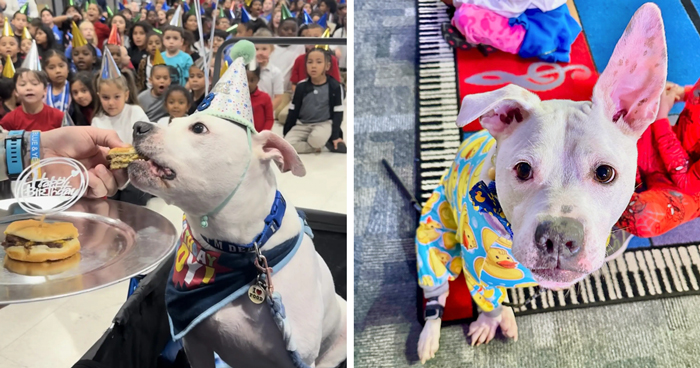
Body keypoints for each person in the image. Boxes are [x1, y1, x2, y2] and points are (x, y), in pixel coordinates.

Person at [618, 80, 700, 237]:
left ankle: (611, 195)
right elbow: (694, 94)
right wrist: (681, 92)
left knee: (642, 218)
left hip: (683, 191)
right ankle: (622, 187)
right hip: (666, 148)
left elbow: (686, 182)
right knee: (641, 93)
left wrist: (661, 119)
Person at [283, 48, 345, 153]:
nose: (314, 66)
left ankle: (320, 141)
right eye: (310, 62)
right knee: (287, 146)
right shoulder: (301, 86)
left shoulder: (335, 86)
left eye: (319, 62)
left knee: (316, 140)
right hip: (302, 124)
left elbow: (338, 113)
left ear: (327, 66)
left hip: (323, 123)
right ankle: (315, 147)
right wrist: (286, 132)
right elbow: (293, 111)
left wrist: (335, 136)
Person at [91, 52, 148, 144]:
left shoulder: (135, 112)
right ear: (99, 97)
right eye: (105, 97)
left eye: (117, 97)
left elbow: (147, 139)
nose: (111, 103)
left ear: (126, 95)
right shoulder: (97, 122)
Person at [0, 68, 65, 131]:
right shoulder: (8, 120)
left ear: (45, 90)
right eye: (23, 84)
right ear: (16, 92)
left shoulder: (59, 117)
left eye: (34, 84)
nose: (29, 88)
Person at [290, 23, 341, 90]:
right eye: (308, 37)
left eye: (316, 37)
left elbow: (336, 83)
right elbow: (294, 84)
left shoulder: (331, 60)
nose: (312, 40)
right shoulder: (299, 59)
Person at [252, 28, 283, 116]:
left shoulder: (275, 72)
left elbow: (278, 98)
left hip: (265, 115)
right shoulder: (247, 70)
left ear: (272, 49)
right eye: (256, 49)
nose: (260, 52)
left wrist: (264, 112)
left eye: (264, 49)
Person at [42, 49, 71, 114]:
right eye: (51, 68)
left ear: (68, 68)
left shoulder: (73, 88)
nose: (58, 71)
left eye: (61, 66)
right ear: (45, 71)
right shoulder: (43, 92)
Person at [247, 64, 273, 132]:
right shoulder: (236, 97)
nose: (248, 84)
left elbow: (269, 119)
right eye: (245, 80)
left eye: (252, 81)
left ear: (258, 80)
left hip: (259, 136)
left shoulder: (265, 97)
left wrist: (263, 135)